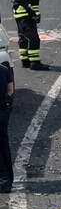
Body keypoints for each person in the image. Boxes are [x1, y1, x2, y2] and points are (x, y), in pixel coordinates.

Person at [11, 0, 47, 70]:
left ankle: (25, 60)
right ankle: (35, 63)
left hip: (24, 15)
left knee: (23, 37)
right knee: (34, 38)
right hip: (24, 15)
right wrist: (31, 12)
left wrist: (36, 14)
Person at [0, 48, 13, 191]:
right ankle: (9, 177)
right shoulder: (4, 70)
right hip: (3, 112)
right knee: (4, 146)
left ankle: (3, 181)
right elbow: (10, 91)